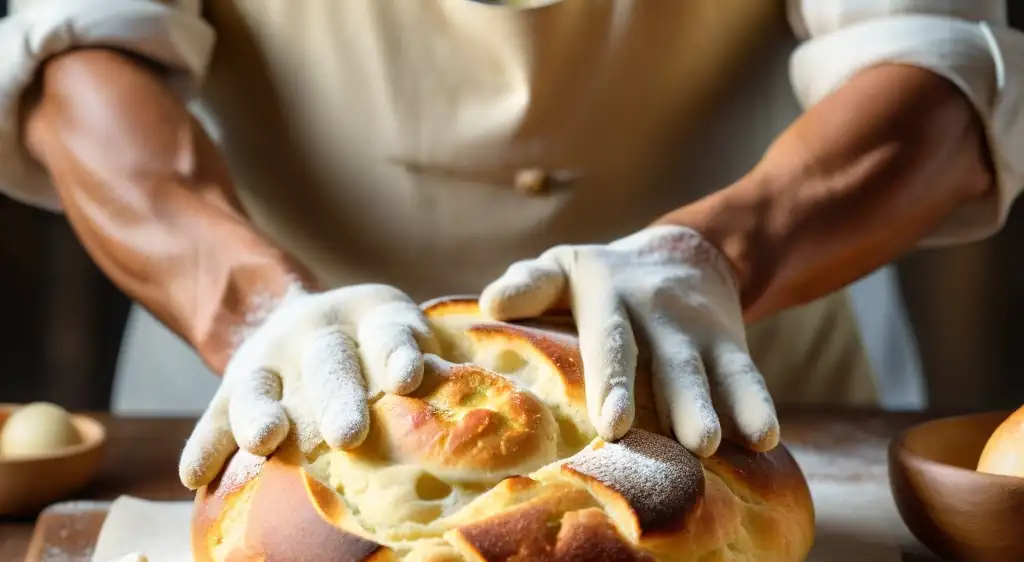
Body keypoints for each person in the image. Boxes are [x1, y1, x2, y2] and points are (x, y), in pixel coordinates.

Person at [0, 0, 1021, 489]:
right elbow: (84, 62)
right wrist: (253, 309)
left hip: (730, 402)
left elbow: (929, 75)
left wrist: (713, 256)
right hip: (272, 395)